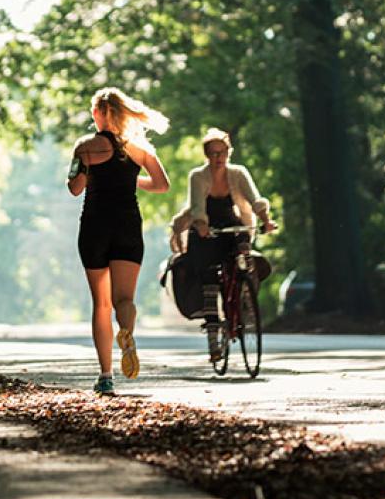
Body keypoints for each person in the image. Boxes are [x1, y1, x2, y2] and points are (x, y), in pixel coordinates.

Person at [67, 87, 170, 395]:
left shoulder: (86, 146)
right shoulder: (138, 148)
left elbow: (75, 188)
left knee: (101, 304)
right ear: (123, 114)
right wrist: (130, 178)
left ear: (97, 114)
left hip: (95, 228)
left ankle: (106, 375)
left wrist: (85, 168)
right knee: (123, 300)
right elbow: (162, 185)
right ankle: (126, 331)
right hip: (127, 226)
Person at [169, 128, 274, 361]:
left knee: (244, 251)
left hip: (230, 224)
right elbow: (197, 206)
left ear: (229, 152)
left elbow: (254, 199)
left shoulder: (238, 173)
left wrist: (266, 220)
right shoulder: (198, 176)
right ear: (206, 155)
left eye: (222, 152)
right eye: (213, 153)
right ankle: (213, 340)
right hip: (205, 228)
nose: (218, 158)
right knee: (209, 282)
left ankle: (244, 296)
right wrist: (202, 225)